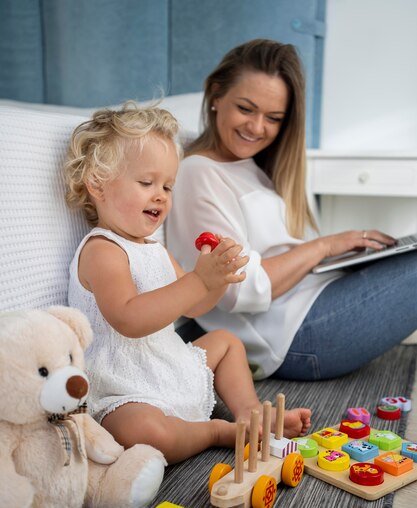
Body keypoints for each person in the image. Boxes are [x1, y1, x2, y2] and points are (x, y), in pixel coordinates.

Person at [64, 102, 311, 464]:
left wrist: (216, 279)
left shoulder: (155, 249)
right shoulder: (103, 250)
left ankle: (249, 414)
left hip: (168, 362)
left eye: (167, 185)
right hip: (124, 384)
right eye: (146, 182)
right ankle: (218, 431)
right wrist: (198, 280)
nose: (161, 195)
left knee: (226, 343)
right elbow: (129, 319)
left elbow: (195, 305)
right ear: (98, 185)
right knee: (144, 433)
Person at [167, 39, 417, 381]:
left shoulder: (253, 168)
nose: (257, 128)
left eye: (273, 118)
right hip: (289, 337)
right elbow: (236, 288)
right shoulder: (199, 172)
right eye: (245, 108)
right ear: (215, 95)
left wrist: (339, 257)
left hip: (315, 303)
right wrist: (324, 247)